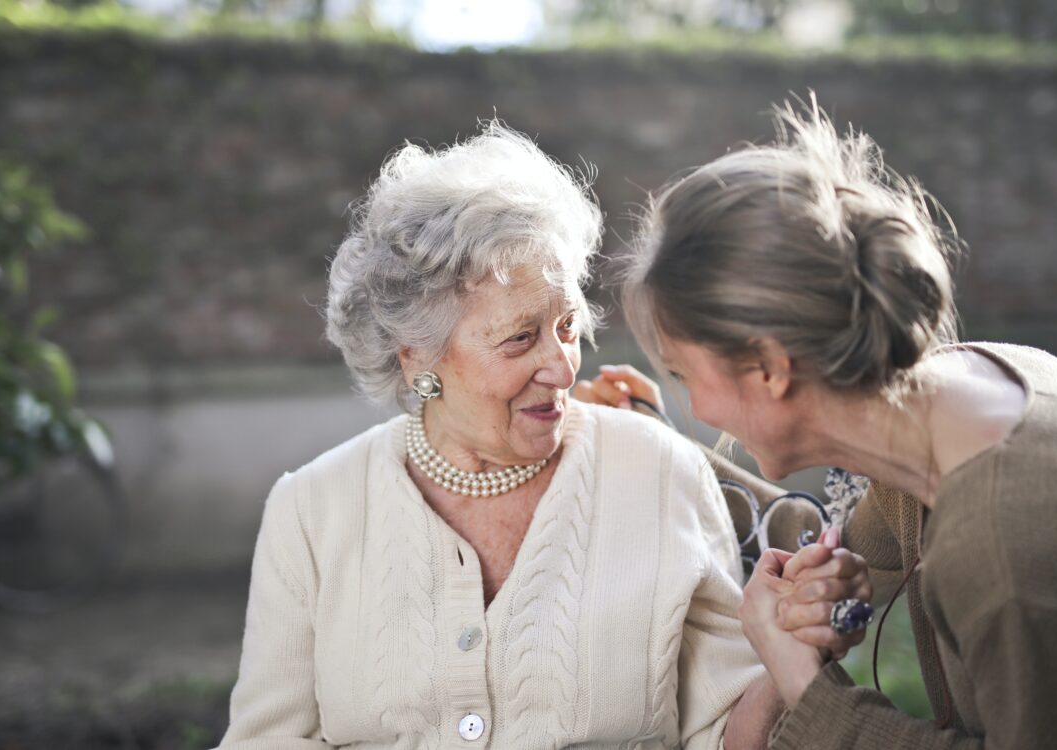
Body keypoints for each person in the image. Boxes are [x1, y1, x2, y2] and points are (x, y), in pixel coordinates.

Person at [218, 122, 867, 749]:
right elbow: (269, 738)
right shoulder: (311, 511)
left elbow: (723, 734)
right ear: (416, 353)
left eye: (566, 326)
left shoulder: (659, 472)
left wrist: (790, 651)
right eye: (520, 338)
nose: (561, 366)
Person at [609, 99, 1057, 748]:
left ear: (770, 369)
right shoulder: (957, 398)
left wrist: (809, 690)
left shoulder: (1005, 549)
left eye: (686, 376)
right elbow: (827, 554)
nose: (698, 411)